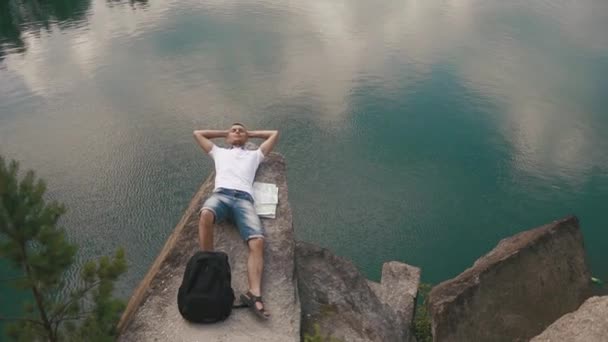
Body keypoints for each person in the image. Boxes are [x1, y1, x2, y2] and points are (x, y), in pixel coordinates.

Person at [193, 123, 279, 319]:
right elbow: (197, 133)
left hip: (244, 200)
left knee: (257, 241)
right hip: (221, 196)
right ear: (227, 138)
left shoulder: (255, 155)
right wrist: (226, 133)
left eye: (241, 130)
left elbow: (274, 133)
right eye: (234, 130)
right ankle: (208, 264)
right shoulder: (219, 152)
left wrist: (248, 134)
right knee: (205, 213)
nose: (237, 131)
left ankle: (254, 294)